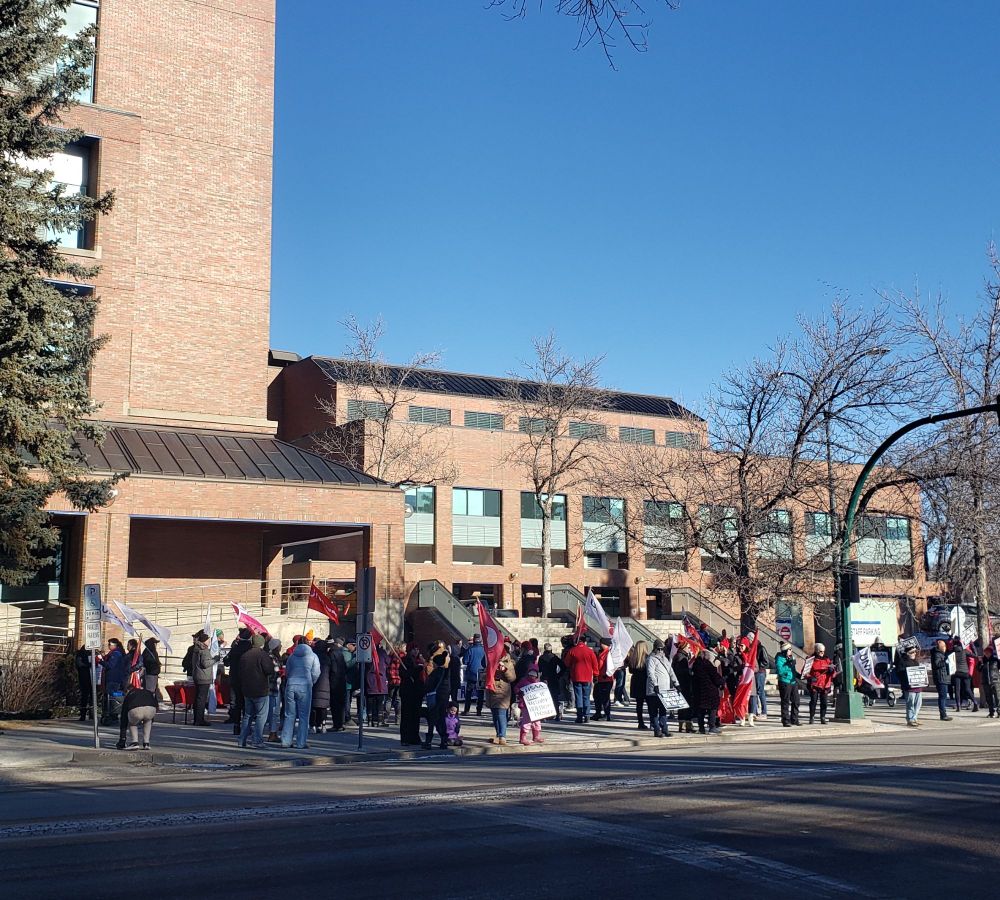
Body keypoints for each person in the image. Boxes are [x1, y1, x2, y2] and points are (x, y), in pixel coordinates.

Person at [281, 637, 320, 749]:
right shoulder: (313, 656)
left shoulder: (292, 656)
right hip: (305, 686)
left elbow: (287, 671)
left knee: (289, 715)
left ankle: (286, 741)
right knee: (304, 716)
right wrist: (311, 682)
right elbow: (316, 672)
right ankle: (301, 742)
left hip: (291, 685)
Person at [238, 633, 275, 749]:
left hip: (247, 690)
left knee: (247, 715)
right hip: (260, 689)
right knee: (261, 716)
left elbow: (240, 672)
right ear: (262, 643)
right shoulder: (263, 655)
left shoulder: (244, 655)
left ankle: (241, 740)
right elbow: (269, 670)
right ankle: (257, 740)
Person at [646, 639, 680, 737]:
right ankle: (657, 729)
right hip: (654, 690)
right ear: (655, 648)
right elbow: (650, 673)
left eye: (662, 649)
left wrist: (676, 684)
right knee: (653, 712)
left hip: (665, 689)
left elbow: (671, 672)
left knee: (663, 711)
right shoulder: (651, 659)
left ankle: (664, 729)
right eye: (659, 649)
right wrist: (655, 685)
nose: (661, 651)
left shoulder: (665, 659)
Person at [564, 636, 600, 724]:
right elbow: (595, 664)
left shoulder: (572, 650)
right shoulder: (590, 651)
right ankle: (587, 716)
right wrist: (596, 675)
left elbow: (567, 663)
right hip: (587, 677)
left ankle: (579, 716)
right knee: (586, 697)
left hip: (576, 676)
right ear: (585, 642)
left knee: (578, 696)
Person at [422, 647, 451, 750]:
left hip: (435, 699)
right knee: (442, 720)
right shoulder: (446, 673)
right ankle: (444, 741)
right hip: (444, 699)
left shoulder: (435, 673)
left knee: (432, 720)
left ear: (436, 663)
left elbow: (429, 686)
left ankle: (428, 741)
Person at [486, 649, 516, 745]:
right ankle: (498, 735)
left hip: (502, 692)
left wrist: (504, 670)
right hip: (492, 691)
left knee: (501, 714)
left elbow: (512, 678)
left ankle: (502, 736)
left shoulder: (508, 663)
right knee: (495, 715)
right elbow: (485, 674)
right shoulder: (491, 661)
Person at [115, 684, 158, 750]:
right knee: (148, 721)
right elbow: (155, 703)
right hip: (151, 708)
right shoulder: (146, 691)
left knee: (132, 723)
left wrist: (122, 740)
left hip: (136, 709)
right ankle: (146, 743)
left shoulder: (129, 695)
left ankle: (134, 743)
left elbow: (124, 719)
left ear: (127, 691)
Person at [225, 628, 252, 733]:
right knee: (246, 703)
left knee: (236, 703)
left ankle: (236, 725)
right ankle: (247, 727)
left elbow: (226, 661)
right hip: (246, 679)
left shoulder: (235, 647)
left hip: (234, 678)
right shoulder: (249, 649)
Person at [399, 644, 426, 747]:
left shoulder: (419, 660)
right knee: (407, 716)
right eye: (414, 649)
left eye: (417, 649)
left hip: (417, 692)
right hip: (408, 692)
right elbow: (405, 674)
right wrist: (416, 669)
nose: (416, 651)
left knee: (415, 716)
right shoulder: (405, 660)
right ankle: (405, 738)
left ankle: (414, 737)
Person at [692, 649, 724, 734]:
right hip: (709, 690)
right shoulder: (708, 665)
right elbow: (715, 677)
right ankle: (712, 726)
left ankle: (701, 727)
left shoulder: (696, 664)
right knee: (713, 708)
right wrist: (722, 682)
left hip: (699, 690)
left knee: (701, 710)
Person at [191, 630, 216, 726]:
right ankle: (199, 720)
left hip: (197, 675)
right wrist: (214, 660)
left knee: (198, 698)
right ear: (204, 641)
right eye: (208, 640)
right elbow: (205, 663)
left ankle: (196, 719)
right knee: (201, 699)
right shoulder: (204, 650)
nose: (209, 642)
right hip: (204, 677)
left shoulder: (196, 649)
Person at [806, 642, 835, 725]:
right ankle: (812, 717)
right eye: (821, 651)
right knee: (813, 701)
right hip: (815, 684)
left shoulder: (827, 660)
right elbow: (805, 672)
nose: (823, 653)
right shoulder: (810, 659)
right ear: (816, 651)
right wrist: (810, 677)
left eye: (823, 651)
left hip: (825, 684)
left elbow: (834, 673)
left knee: (824, 702)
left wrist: (831, 671)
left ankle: (823, 717)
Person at [515, 669, 546, 746]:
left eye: (534, 676)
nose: (532, 677)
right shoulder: (524, 681)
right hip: (526, 706)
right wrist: (519, 692)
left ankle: (536, 736)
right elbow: (516, 688)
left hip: (535, 706)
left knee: (537, 722)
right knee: (526, 721)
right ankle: (522, 738)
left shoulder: (538, 683)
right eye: (531, 675)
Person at [101, 638, 127, 724]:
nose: (108, 646)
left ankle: (112, 715)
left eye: (109, 645)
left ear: (114, 645)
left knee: (111, 697)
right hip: (114, 678)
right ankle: (113, 714)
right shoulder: (115, 653)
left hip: (113, 678)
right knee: (113, 696)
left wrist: (101, 661)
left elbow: (110, 665)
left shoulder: (116, 654)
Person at [898, 645, 925, 727]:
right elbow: (899, 673)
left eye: (915, 652)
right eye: (912, 652)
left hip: (918, 686)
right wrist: (907, 675)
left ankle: (915, 717)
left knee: (918, 703)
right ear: (908, 653)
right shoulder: (902, 661)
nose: (914, 653)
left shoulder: (916, 661)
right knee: (910, 704)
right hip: (909, 687)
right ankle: (910, 719)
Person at [672, 643, 696, 733]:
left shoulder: (679, 656)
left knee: (682, 706)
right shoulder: (681, 657)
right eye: (688, 647)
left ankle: (682, 726)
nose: (689, 649)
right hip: (684, 684)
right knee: (686, 705)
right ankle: (688, 726)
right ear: (684, 647)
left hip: (681, 684)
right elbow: (679, 671)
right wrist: (689, 671)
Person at [775, 642, 800, 727]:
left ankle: (794, 719)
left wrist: (799, 675)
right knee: (785, 701)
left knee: (796, 701)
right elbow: (780, 671)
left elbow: (793, 670)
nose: (791, 651)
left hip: (793, 681)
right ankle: (785, 720)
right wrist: (788, 664)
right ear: (785, 651)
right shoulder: (779, 658)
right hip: (785, 681)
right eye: (789, 649)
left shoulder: (791, 657)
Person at [310, 638, 332, 734]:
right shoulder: (327, 658)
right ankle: (322, 724)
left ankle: (313, 725)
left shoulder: (313, 657)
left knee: (313, 706)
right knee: (323, 706)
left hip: (314, 684)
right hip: (325, 685)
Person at [461, 634, 487, 716]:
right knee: (480, 693)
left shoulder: (470, 649)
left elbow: (465, 661)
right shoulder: (484, 650)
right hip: (481, 673)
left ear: (474, 640)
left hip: (472, 673)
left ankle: (467, 710)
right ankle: (479, 710)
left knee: (469, 692)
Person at [627, 641, 650, 730]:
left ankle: (640, 722)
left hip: (636, 682)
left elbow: (630, 671)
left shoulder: (633, 658)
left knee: (639, 704)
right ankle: (653, 721)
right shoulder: (647, 658)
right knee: (649, 704)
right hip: (645, 682)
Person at [537, 642, 563, 722]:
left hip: (545, 678)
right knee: (554, 697)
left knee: (544, 697)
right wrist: (558, 675)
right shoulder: (554, 657)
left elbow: (539, 669)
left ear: (544, 649)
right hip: (554, 678)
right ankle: (557, 714)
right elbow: (563, 666)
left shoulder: (541, 658)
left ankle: (545, 715)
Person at [951, 639, 977, 712]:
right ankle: (975, 702)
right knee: (968, 689)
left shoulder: (952, 652)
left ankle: (958, 706)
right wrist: (972, 645)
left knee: (957, 690)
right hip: (965, 672)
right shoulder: (964, 651)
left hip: (956, 672)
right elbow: (975, 655)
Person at [931, 639, 954, 721]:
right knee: (942, 696)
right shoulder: (937, 654)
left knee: (944, 696)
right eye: (943, 646)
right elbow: (937, 664)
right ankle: (943, 714)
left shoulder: (941, 654)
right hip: (941, 677)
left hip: (944, 677)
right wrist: (945, 661)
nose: (945, 648)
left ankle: (944, 713)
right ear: (940, 647)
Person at [265, 637, 283, 742]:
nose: (281, 647)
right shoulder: (272, 658)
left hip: (272, 687)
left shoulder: (273, 657)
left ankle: (273, 732)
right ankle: (272, 733)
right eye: (279, 645)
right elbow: (274, 672)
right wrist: (281, 672)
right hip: (273, 687)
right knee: (273, 711)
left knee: (271, 712)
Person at [366, 645, 389, 726]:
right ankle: (378, 721)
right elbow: (388, 663)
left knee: (370, 703)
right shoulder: (382, 652)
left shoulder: (367, 652)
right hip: (380, 681)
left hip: (370, 681)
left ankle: (370, 720)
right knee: (379, 703)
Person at [328, 638, 347, 732]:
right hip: (342, 681)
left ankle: (337, 724)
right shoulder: (341, 654)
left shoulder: (332, 653)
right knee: (342, 704)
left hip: (335, 682)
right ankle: (341, 723)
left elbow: (333, 669)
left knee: (335, 705)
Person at [592, 637, 614, 721]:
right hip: (600, 678)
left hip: (606, 678)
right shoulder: (602, 652)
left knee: (605, 697)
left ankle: (607, 714)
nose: (599, 644)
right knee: (596, 695)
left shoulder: (608, 653)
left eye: (601, 643)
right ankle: (598, 713)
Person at [74, 645, 93, 722]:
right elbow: (79, 663)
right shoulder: (81, 654)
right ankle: (84, 715)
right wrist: (88, 665)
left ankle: (89, 714)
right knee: (86, 697)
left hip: (89, 678)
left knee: (88, 697)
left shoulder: (91, 653)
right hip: (85, 678)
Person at [752, 639, 770, 719]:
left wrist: (758, 666)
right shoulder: (752, 648)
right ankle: (754, 711)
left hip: (760, 672)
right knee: (754, 692)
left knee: (760, 691)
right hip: (755, 672)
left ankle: (764, 712)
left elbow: (766, 662)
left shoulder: (761, 648)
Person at [981, 643, 1000, 717]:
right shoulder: (983, 660)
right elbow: (978, 669)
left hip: (995, 681)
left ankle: (999, 712)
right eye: (985, 652)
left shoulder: (995, 660)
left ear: (991, 652)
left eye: (988, 652)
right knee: (988, 698)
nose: (987, 654)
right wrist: (980, 663)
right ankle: (991, 712)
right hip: (986, 682)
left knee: (998, 698)